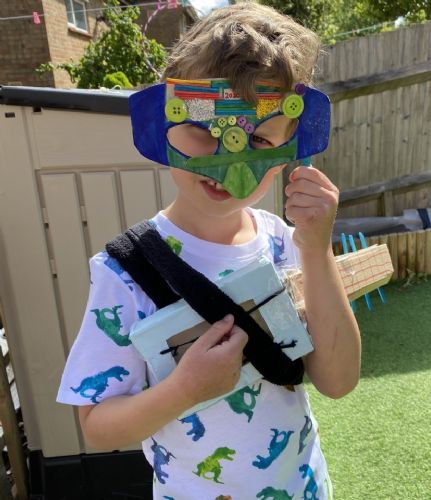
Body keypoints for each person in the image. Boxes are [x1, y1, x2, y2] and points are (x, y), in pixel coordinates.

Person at [57, 3, 361, 498]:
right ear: (165, 123)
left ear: (290, 148)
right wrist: (185, 390)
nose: (227, 158)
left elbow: (339, 380)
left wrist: (316, 249)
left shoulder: (287, 243)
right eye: (203, 126)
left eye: (258, 138)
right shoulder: (125, 272)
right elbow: (97, 426)